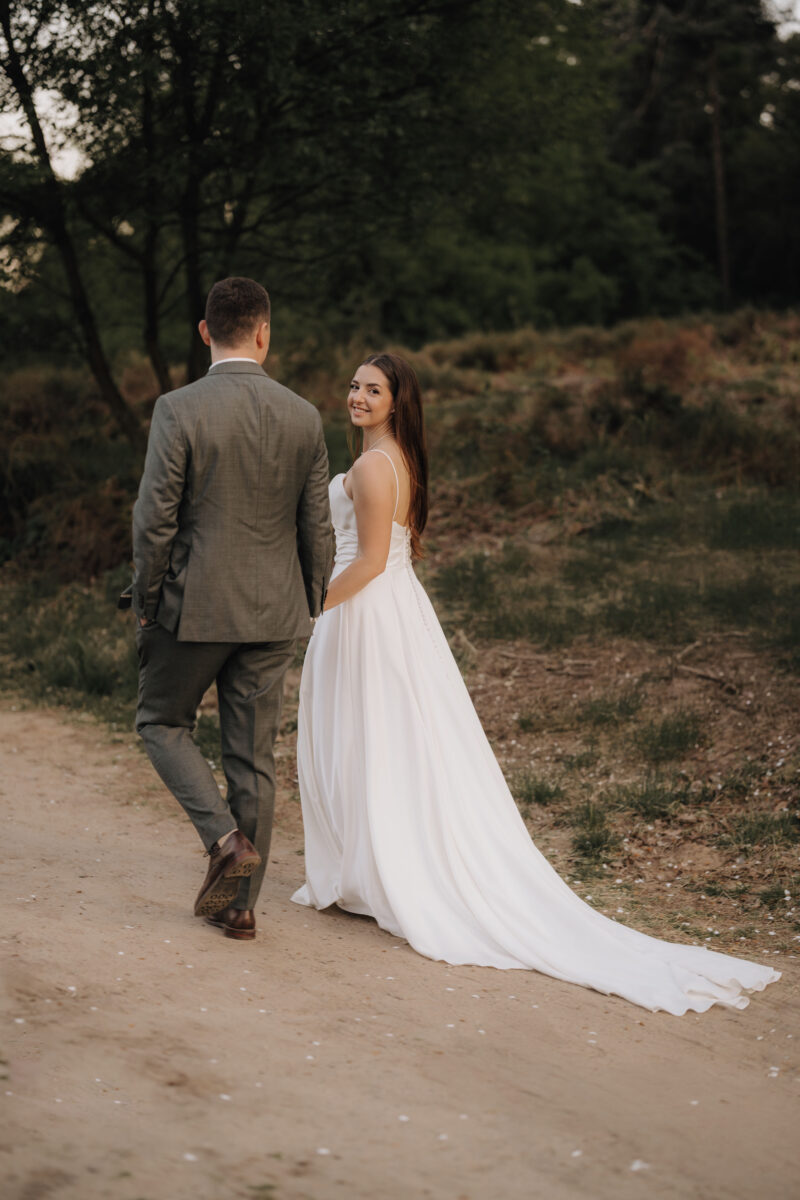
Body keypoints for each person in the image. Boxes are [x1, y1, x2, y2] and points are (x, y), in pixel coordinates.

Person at [292, 352, 780, 1014]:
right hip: (393, 612)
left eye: (372, 389)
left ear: (398, 401)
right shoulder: (397, 459)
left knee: (367, 738)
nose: (356, 396)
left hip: (366, 613)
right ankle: (367, 869)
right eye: (353, 385)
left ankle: (378, 872)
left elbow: (372, 561)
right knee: (381, 740)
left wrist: (311, 606)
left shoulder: (376, 468)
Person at [129, 277, 332, 940]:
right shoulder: (304, 415)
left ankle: (224, 842)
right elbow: (316, 528)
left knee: (161, 721)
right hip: (275, 612)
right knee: (253, 757)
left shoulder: (178, 409)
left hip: (195, 606)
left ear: (204, 331)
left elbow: (153, 521)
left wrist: (148, 599)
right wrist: (311, 601)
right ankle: (242, 909)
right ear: (265, 332)